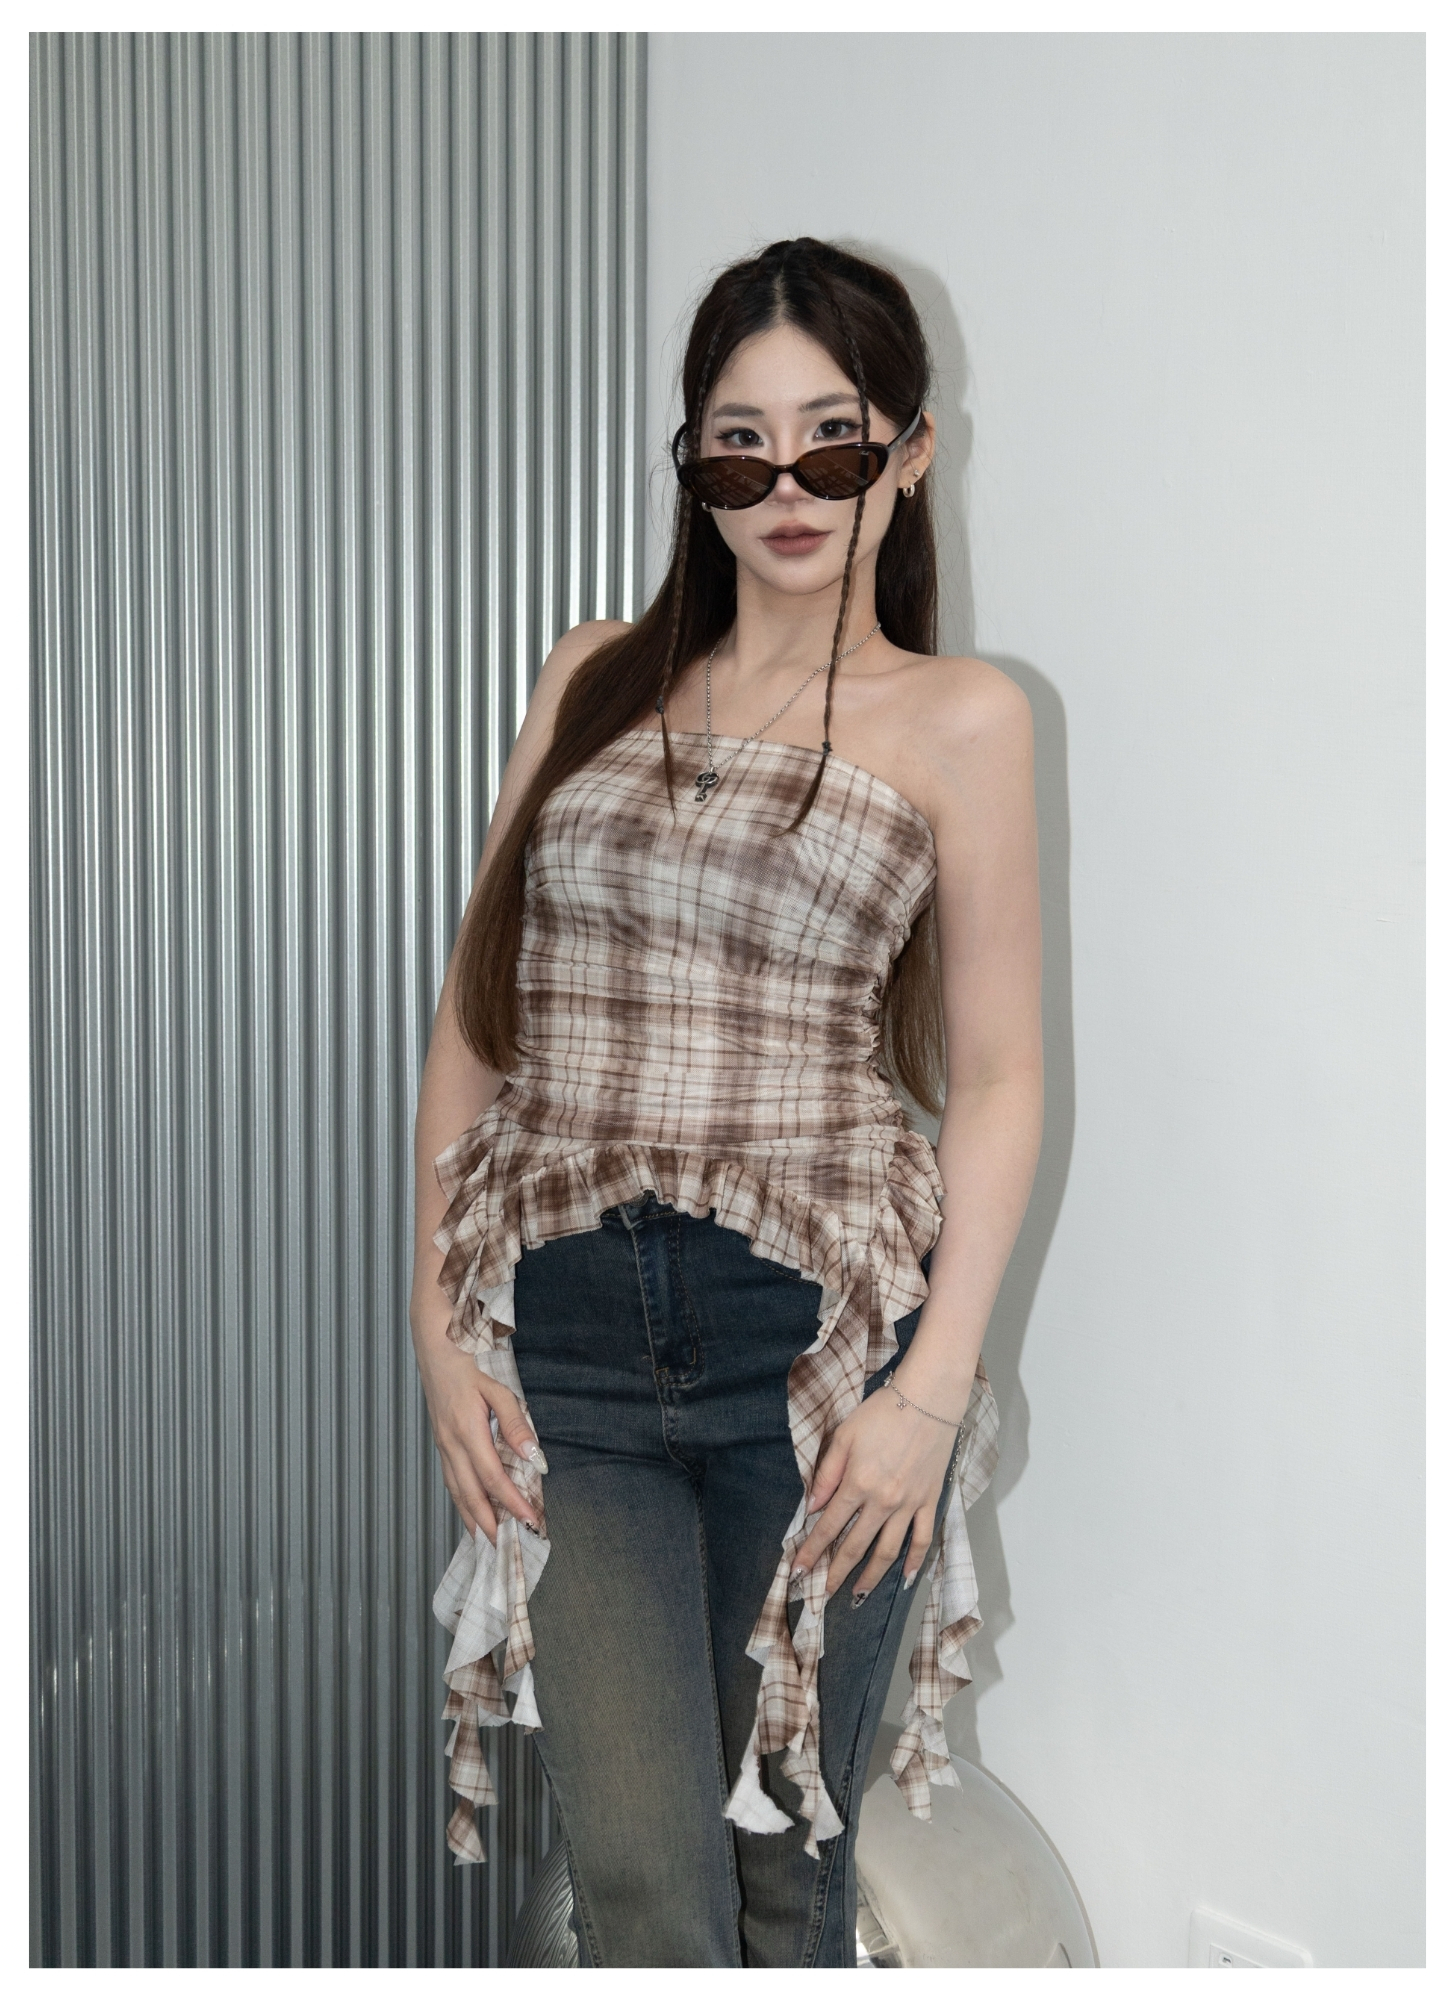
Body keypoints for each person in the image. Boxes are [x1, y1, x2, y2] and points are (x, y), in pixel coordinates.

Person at [409, 236, 1043, 1968]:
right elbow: (476, 1026)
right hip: (571, 1345)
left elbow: (998, 1079)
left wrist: (930, 1394)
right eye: (739, 450)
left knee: (784, 1884)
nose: (788, 493)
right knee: (641, 1890)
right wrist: (437, 1325)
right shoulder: (593, 679)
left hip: (818, 1353)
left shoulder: (961, 718)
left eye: (834, 445)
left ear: (908, 453)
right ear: (693, 465)